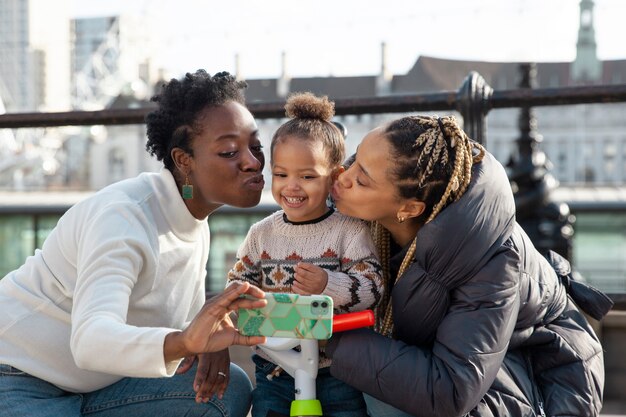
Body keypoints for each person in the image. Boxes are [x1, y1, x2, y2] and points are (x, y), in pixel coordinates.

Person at [0, 70, 271, 417]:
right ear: (183, 161)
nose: (252, 161)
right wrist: (186, 341)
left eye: (256, 146)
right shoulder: (124, 218)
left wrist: (206, 337)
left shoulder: (192, 220)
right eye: (230, 151)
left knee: (226, 389)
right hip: (18, 373)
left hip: (99, 385)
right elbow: (90, 341)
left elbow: (177, 323)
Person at [325, 114, 613, 417]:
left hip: (545, 376)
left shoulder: (493, 262)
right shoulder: (385, 203)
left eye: (361, 179)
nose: (341, 175)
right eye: (354, 158)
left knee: (386, 401)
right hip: (461, 361)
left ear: (409, 209)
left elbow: (451, 390)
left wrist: (330, 335)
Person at [226, 92, 383, 417]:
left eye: (308, 177)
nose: (292, 186)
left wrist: (329, 284)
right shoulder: (261, 234)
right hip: (276, 368)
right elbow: (237, 287)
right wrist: (247, 304)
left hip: (337, 370)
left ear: (335, 178)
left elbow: (373, 287)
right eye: (281, 175)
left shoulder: (349, 230)